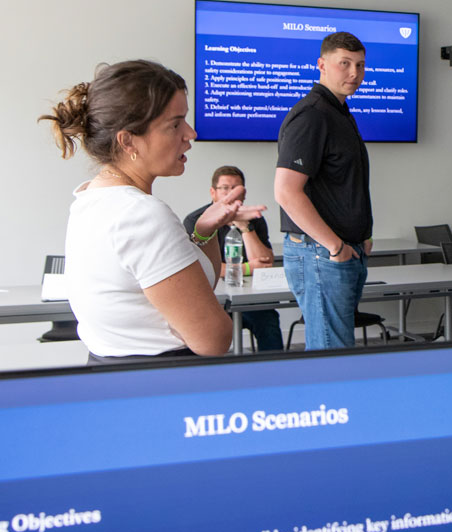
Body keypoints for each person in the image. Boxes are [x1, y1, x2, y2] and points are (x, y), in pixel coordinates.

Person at [39, 60, 265, 363]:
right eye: (175, 124)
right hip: (162, 383)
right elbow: (213, 339)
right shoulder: (141, 215)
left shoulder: (90, 198)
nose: (191, 133)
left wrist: (203, 230)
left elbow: (188, 293)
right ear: (128, 140)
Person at [274, 32, 372, 350]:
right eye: (344, 63)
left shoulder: (340, 113)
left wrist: (361, 234)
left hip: (342, 251)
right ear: (322, 65)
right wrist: (334, 246)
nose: (354, 73)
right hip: (321, 253)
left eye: (359, 64)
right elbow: (287, 192)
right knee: (331, 352)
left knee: (335, 349)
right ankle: (327, 403)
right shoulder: (313, 114)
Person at [184, 166, 283, 351]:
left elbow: (264, 261)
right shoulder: (197, 221)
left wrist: (244, 227)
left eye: (236, 188)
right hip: (213, 301)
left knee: (268, 320)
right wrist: (248, 268)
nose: (231, 193)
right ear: (213, 192)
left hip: (248, 300)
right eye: (225, 188)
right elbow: (200, 267)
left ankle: (274, 374)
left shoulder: (254, 218)